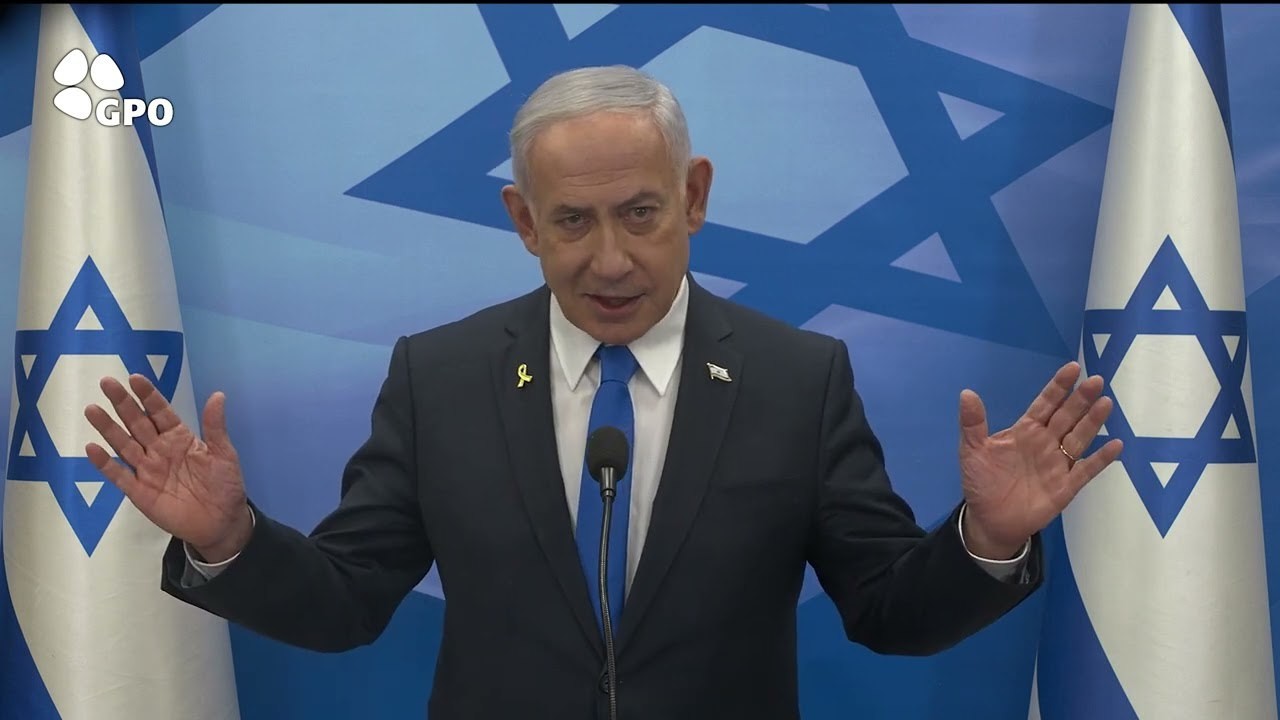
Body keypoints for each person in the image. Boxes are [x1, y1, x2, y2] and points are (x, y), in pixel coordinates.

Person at [83, 65, 1122, 719]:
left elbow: (889, 613)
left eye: (640, 213)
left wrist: (987, 540)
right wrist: (230, 541)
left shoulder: (796, 382)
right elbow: (347, 603)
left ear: (694, 197)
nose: (611, 259)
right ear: (523, 221)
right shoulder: (439, 379)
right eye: (572, 222)